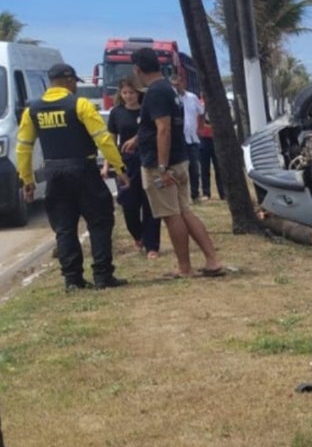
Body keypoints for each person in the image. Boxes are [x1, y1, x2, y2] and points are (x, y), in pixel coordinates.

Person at [15, 63, 129, 291]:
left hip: (54, 173)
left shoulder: (32, 110)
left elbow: (23, 148)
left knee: (64, 227)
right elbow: (103, 139)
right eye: (74, 82)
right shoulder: (80, 104)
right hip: (83, 169)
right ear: (68, 81)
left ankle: (72, 279)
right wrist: (119, 168)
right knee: (99, 221)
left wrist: (26, 180)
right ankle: (103, 275)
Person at [124, 48, 224, 278]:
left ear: (137, 69)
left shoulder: (156, 92)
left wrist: (161, 167)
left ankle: (184, 268)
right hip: (177, 160)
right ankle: (212, 260)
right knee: (184, 211)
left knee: (172, 215)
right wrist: (139, 138)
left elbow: (164, 130)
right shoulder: (167, 89)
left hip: (163, 166)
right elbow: (158, 125)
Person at [102, 76, 161, 259]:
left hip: (148, 159)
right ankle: (138, 235)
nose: (128, 96)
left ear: (138, 92)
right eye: (125, 93)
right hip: (126, 164)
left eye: (132, 92)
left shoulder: (147, 111)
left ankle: (152, 245)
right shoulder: (116, 113)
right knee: (128, 204)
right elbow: (110, 140)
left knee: (150, 204)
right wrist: (107, 164)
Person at [170, 74, 204, 203]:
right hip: (178, 139)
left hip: (192, 138)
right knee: (179, 169)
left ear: (183, 83)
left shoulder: (192, 97)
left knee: (194, 168)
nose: (176, 87)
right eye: (173, 85)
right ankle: (180, 197)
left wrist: (200, 128)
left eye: (178, 84)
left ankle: (195, 195)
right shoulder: (172, 99)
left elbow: (201, 112)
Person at [196, 107, 225, 200]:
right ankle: (206, 193)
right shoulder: (199, 103)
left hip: (217, 138)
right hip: (203, 139)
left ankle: (223, 193)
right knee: (204, 168)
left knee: (219, 168)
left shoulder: (216, 102)